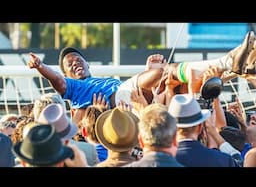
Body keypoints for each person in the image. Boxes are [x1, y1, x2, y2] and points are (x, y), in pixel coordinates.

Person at [27, 31, 256, 110]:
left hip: (134, 98)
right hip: (121, 101)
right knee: (168, 71)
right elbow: (58, 82)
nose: (75, 63)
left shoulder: (102, 81)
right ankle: (230, 63)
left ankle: (237, 68)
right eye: (69, 64)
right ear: (65, 73)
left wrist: (147, 73)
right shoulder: (74, 88)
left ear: (88, 65)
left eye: (78, 59)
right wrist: (41, 67)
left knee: (185, 83)